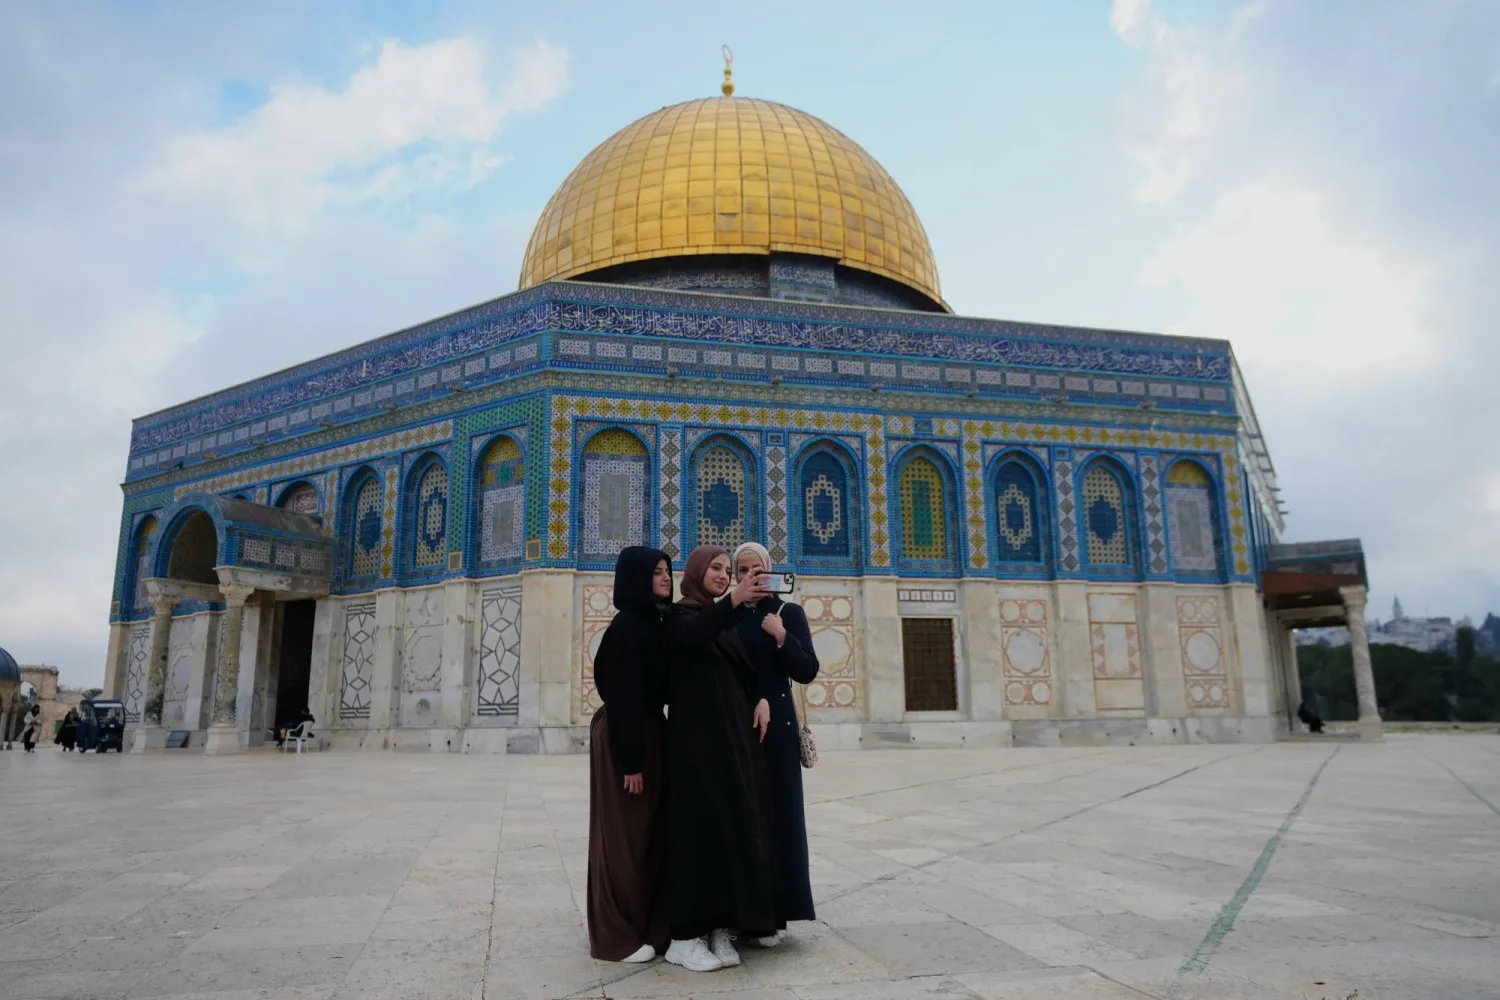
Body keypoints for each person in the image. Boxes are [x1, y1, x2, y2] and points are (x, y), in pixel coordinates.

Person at [660, 545, 781, 973]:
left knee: (732, 831)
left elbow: (741, 671)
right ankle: (685, 935)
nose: (723, 574)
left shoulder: (723, 622)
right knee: (699, 838)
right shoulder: (678, 617)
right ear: (695, 572)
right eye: (715, 568)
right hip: (696, 748)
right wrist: (731, 602)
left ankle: (721, 928)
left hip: (732, 746)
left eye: (726, 570)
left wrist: (761, 697)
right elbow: (695, 636)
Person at [587, 546, 673, 964]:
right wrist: (632, 763)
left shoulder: (653, 624)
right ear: (636, 578)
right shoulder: (627, 629)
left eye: (667, 571)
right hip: (629, 739)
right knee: (625, 839)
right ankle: (615, 938)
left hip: (647, 733)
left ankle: (642, 924)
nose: (665, 578)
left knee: (646, 837)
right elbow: (623, 699)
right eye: (656, 572)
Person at [731, 541, 819, 942]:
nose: (752, 576)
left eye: (758, 568)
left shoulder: (787, 613)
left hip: (779, 730)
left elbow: (806, 671)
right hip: (739, 724)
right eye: (744, 570)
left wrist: (783, 637)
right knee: (747, 817)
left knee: (781, 814)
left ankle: (778, 913)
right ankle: (746, 913)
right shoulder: (728, 615)